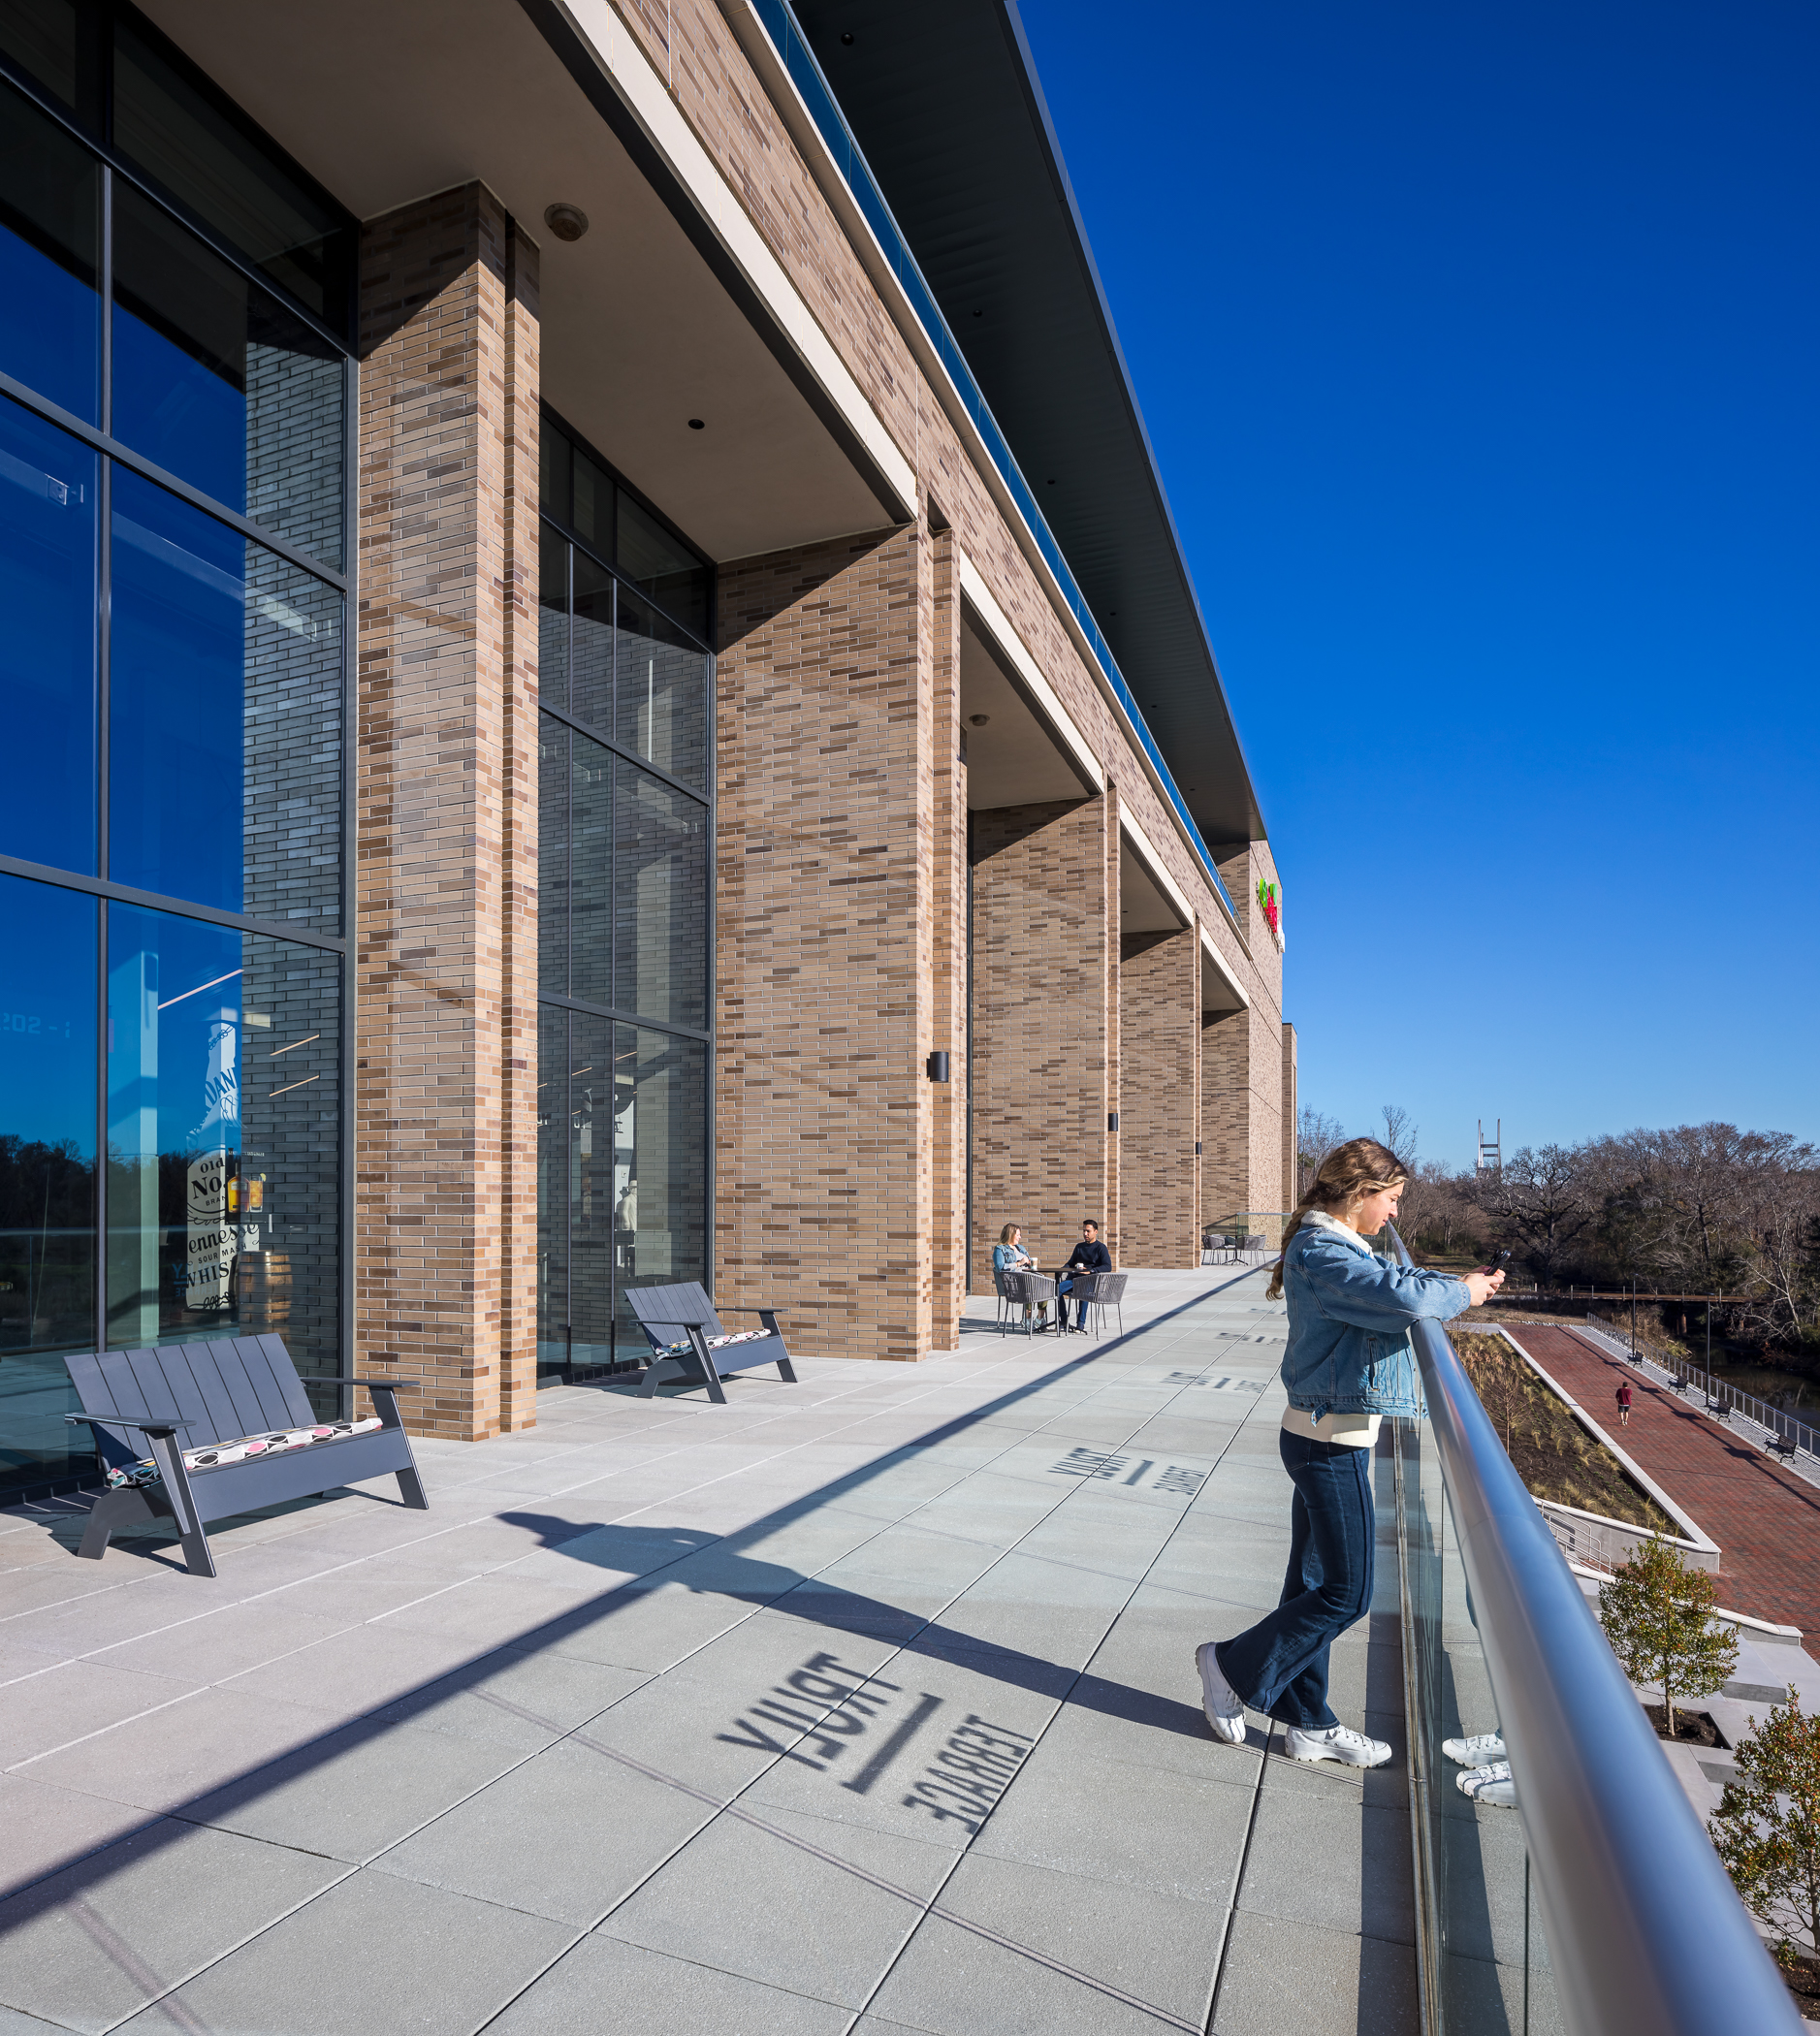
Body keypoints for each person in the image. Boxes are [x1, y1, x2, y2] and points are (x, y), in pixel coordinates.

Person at [1193, 1138, 1506, 1766]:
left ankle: (1307, 1722)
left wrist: (1457, 1283)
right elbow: (1407, 1300)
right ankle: (1227, 1665)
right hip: (1325, 1442)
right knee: (1346, 1592)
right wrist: (1463, 1293)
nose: (1393, 1216)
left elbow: (1398, 1282)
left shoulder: (1338, 1247)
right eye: (1388, 1201)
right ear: (1358, 1195)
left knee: (1312, 1584)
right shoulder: (1322, 1251)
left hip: (1328, 1435)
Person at [1057, 1220, 1111, 1333]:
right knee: (1056, 1290)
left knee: (1083, 1289)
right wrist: (1062, 1269)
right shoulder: (1079, 1247)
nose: (1085, 1234)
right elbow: (1070, 1263)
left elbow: (1107, 1266)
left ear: (1095, 1232)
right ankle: (1064, 1321)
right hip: (1074, 1280)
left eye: (1088, 1231)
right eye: (1084, 1231)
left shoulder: (1101, 1248)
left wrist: (1091, 1271)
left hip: (1090, 1281)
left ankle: (1080, 1325)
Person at [992, 1224, 1047, 1327]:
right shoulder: (1000, 1249)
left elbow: (1028, 1260)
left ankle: (1040, 1319)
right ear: (1010, 1234)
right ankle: (1027, 1319)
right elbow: (1000, 1267)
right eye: (1018, 1235)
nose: (1020, 1237)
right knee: (1029, 1285)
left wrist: (1030, 1263)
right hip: (1012, 1282)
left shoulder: (1020, 1247)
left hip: (1027, 1276)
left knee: (1045, 1285)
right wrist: (1019, 1263)